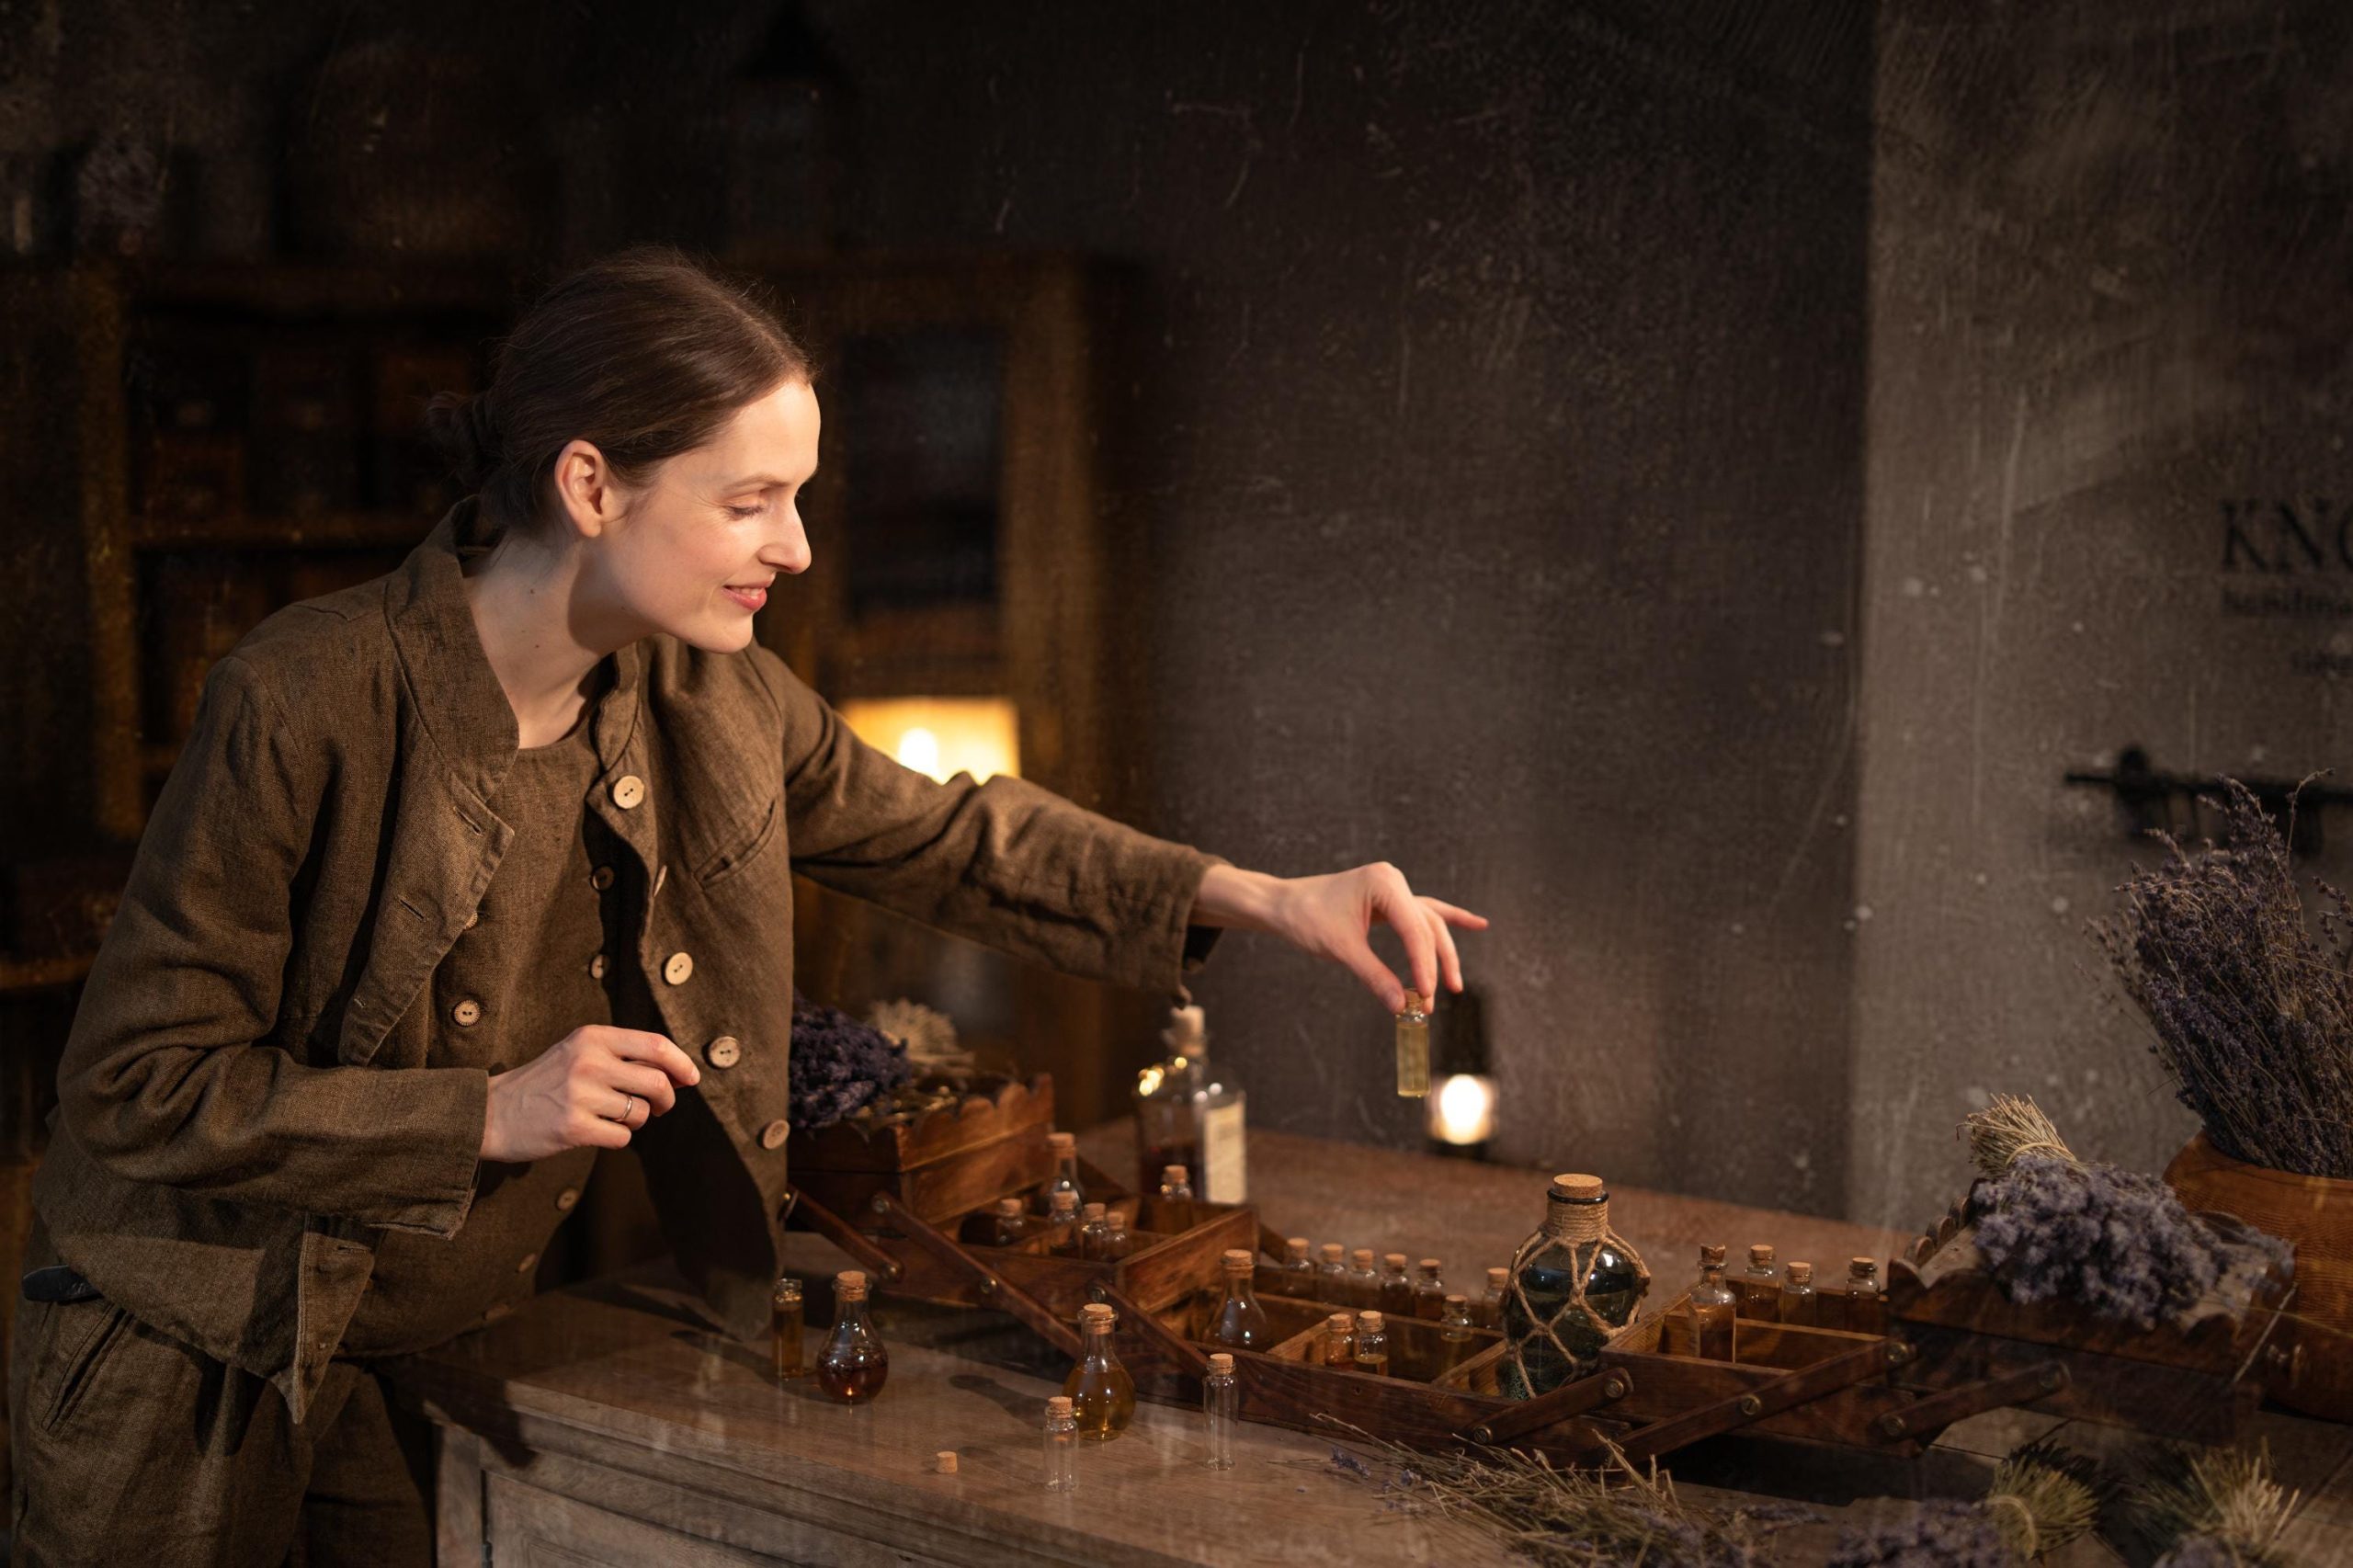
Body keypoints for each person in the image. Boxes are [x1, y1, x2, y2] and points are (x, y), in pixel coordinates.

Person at [6, 245, 1486, 1565]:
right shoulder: (302, 698)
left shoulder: (710, 695)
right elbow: (134, 1088)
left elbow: (954, 839)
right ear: (591, 485)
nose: (798, 548)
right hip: (179, 1370)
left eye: (803, 498)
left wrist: (1273, 897)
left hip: (408, 1359)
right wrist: (482, 1112)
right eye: (752, 500)